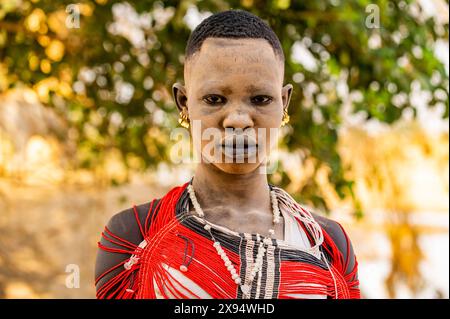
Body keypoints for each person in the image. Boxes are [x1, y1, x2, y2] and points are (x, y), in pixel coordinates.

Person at [95, 9, 360, 299]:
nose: (237, 120)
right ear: (183, 103)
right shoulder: (136, 237)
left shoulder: (325, 244)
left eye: (260, 99)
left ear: (284, 103)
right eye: (214, 99)